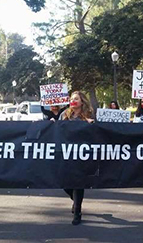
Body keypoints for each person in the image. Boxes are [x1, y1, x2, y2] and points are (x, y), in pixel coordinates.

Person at [58, 91, 94, 225]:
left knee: (78, 183)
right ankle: (75, 199)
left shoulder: (88, 114)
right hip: (67, 153)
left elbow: (97, 130)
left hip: (82, 154)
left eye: (76, 99)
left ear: (82, 102)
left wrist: (92, 124)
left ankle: (77, 212)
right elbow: (58, 130)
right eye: (72, 99)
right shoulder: (65, 114)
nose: (73, 101)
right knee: (65, 182)